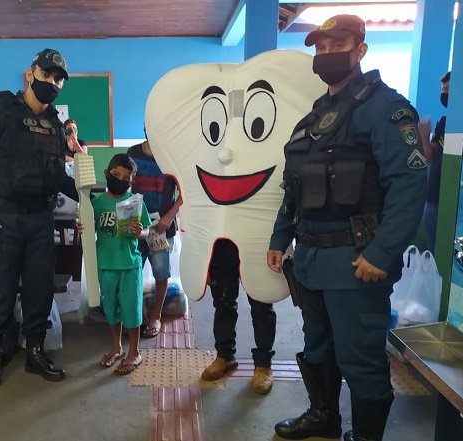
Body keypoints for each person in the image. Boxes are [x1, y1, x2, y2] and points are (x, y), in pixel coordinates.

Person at [266, 15, 427, 441]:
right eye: (320, 48)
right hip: (310, 260)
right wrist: (280, 237)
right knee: (317, 346)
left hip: (356, 261)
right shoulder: (315, 117)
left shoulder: (386, 109)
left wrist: (382, 253)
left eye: (337, 46)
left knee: (360, 357)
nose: (326, 54)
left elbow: (408, 185)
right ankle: (323, 417)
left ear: (360, 50)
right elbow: (294, 186)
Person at [0, 48, 78, 389]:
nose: (52, 82)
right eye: (47, 75)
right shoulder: (0, 111)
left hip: (41, 219)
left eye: (58, 79)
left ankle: (35, 351)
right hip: (3, 219)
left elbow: (57, 175)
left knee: (40, 291)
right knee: (2, 291)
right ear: (30, 74)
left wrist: (88, 195)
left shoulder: (54, 124)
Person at [81, 153, 152, 375]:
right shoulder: (95, 204)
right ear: (106, 173)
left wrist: (141, 232)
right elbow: (87, 229)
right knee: (111, 309)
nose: (120, 180)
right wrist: (81, 227)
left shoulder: (135, 202)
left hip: (130, 265)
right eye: (116, 175)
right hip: (105, 265)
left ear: (131, 181)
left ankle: (135, 352)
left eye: (125, 178)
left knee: (132, 310)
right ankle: (116, 347)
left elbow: (147, 230)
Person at [200, 239, 277, 395]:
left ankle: (263, 365)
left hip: (256, 240)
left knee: (261, 302)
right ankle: (225, 356)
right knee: (223, 301)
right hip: (223, 240)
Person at [127, 134, 181, 338]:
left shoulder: (172, 155)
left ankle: (156, 316)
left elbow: (186, 191)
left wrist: (169, 217)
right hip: (136, 226)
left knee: (161, 271)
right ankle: (135, 315)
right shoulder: (133, 153)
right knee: (133, 271)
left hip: (160, 228)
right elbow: (126, 185)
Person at [419, 71, 450, 253]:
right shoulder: (443, 122)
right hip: (433, 197)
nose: (444, 94)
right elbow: (428, 156)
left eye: (448, 90)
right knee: (433, 252)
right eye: (443, 90)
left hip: (452, 200)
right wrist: (423, 135)